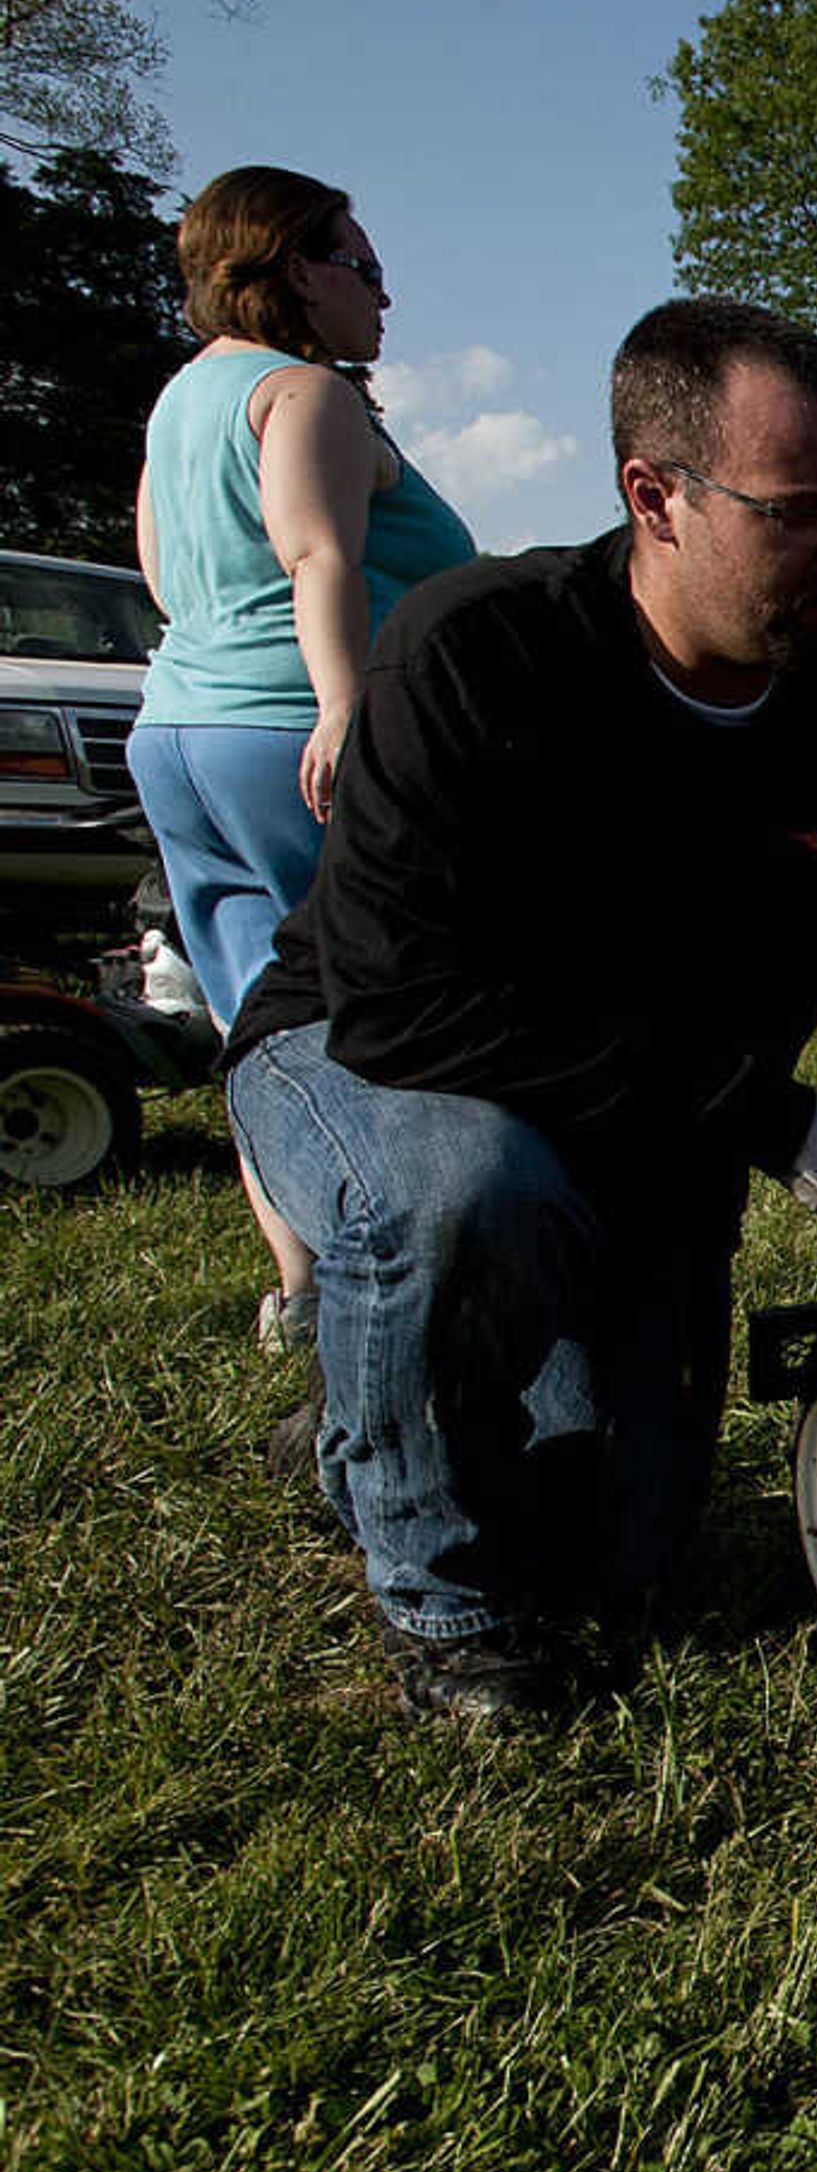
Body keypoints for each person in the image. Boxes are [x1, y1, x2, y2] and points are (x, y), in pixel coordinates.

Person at [222, 298, 817, 1725]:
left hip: (645, 1117)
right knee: (471, 1189)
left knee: (624, 1551)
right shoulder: (475, 654)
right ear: (654, 495)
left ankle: (372, 1428)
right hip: (356, 1055)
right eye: (801, 513)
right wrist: (775, 1118)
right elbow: (406, 1008)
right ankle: (442, 1600)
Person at [128, 165, 476, 1353]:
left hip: (179, 732)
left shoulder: (183, 403)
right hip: (293, 734)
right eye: (363, 267)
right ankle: (395, 1275)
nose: (384, 294)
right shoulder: (307, 395)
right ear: (295, 272)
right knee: (377, 1006)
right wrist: (343, 711)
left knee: (255, 1026)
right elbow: (316, 554)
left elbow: (169, 580)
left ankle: (303, 1291)